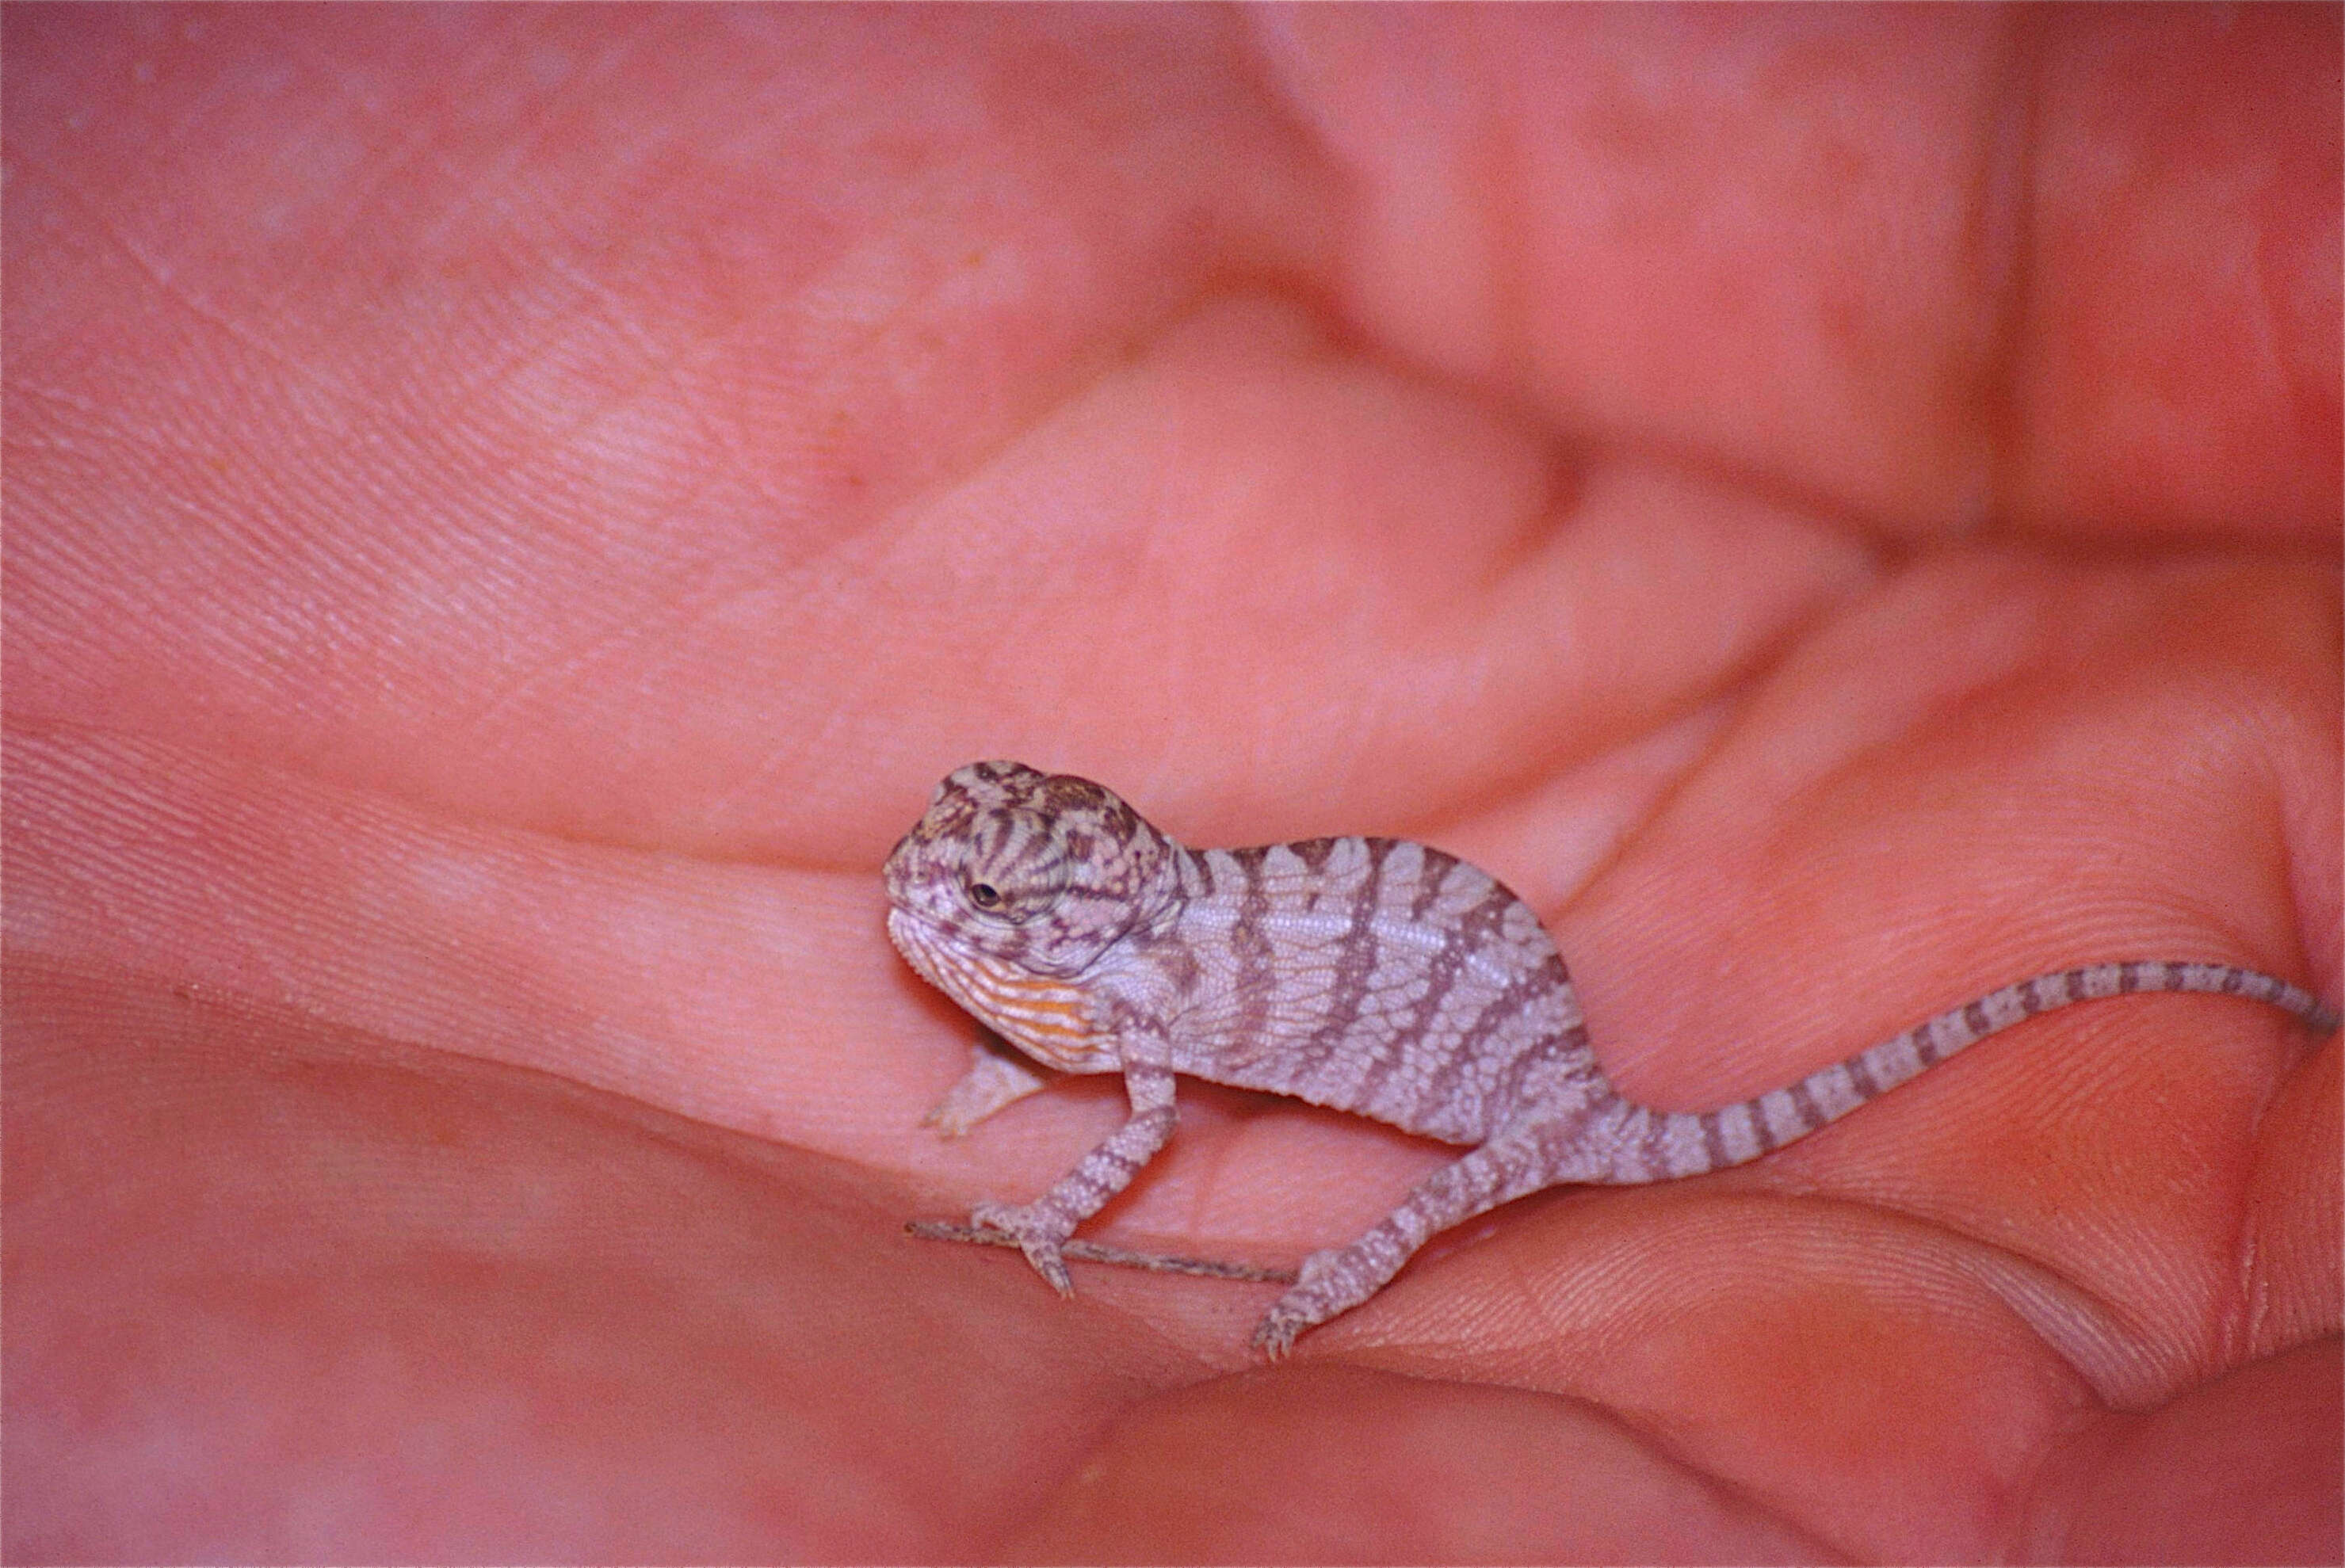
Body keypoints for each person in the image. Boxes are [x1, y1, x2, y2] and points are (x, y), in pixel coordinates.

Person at [7, 6, 2336, 1560]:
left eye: (988, 915)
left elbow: (1133, 1131)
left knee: (1410, 1210)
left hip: (1521, 1100)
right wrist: (981, 1101)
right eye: (952, 874)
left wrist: (1178, 1247)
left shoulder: (1143, 1012)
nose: (933, 908)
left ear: (1087, 920)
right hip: (1386, 969)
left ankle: (1368, 1271)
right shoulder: (1128, 949)